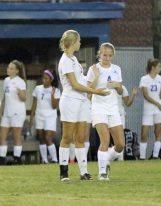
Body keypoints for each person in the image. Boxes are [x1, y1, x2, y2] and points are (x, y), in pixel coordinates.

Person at [58, 30, 110, 182]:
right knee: (67, 137)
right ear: (73, 42)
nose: (80, 43)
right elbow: (74, 85)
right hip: (70, 101)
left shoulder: (73, 59)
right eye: (79, 40)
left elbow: (82, 81)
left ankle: (84, 172)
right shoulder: (65, 61)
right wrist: (95, 91)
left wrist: (95, 76)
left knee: (81, 137)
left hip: (82, 101)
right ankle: (64, 172)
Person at [86, 42, 124, 181]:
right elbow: (88, 90)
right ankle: (102, 172)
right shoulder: (93, 69)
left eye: (109, 55)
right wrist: (96, 77)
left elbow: (120, 91)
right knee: (105, 140)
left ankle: (106, 159)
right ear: (99, 55)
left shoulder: (116, 69)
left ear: (112, 56)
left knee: (120, 144)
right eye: (104, 55)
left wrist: (117, 86)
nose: (107, 58)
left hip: (113, 108)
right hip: (98, 108)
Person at [139, 58, 161, 160]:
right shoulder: (144, 79)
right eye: (159, 67)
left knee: (158, 132)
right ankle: (142, 157)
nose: (160, 68)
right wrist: (157, 104)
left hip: (159, 109)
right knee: (144, 133)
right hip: (149, 108)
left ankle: (156, 156)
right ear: (153, 67)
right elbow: (146, 96)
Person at [0, 60, 27, 165]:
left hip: (17, 112)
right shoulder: (6, 80)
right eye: (8, 68)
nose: (8, 70)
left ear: (16, 71)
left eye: (11, 68)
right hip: (7, 112)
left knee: (16, 136)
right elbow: (4, 98)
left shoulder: (20, 82)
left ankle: (17, 159)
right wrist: (0, 112)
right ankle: (2, 160)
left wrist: (20, 93)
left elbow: (24, 98)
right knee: (1, 135)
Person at [29, 69, 60, 164]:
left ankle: (54, 159)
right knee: (41, 138)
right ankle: (44, 160)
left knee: (48, 138)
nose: (44, 80)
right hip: (39, 116)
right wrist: (31, 118)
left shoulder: (56, 90)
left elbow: (54, 106)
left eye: (46, 78)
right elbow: (34, 104)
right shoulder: (37, 89)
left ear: (51, 79)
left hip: (50, 116)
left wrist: (52, 95)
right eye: (43, 78)